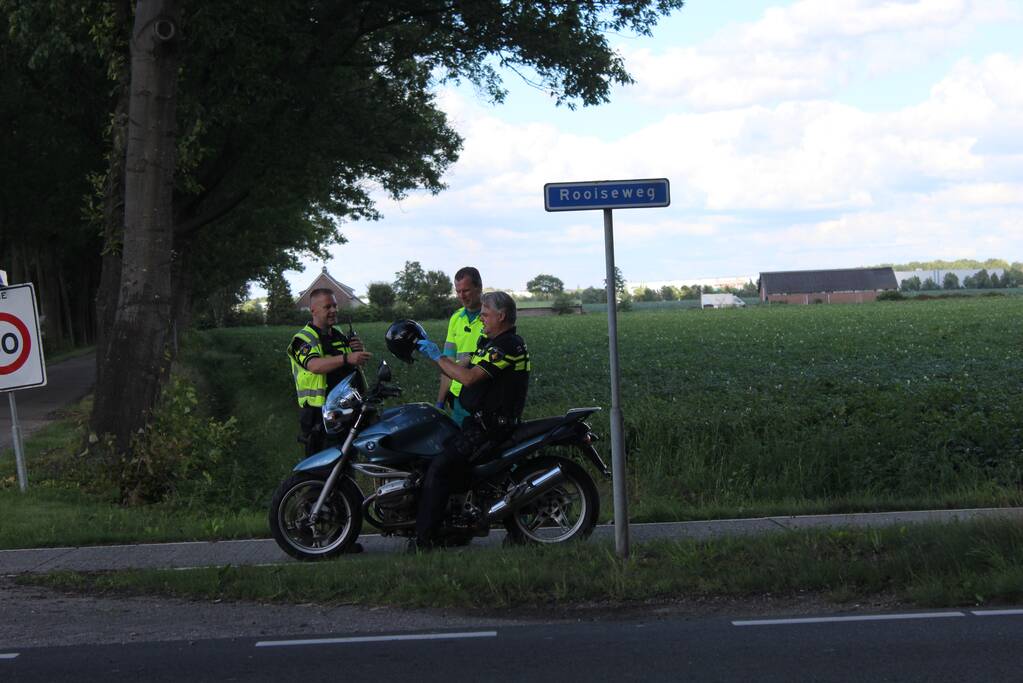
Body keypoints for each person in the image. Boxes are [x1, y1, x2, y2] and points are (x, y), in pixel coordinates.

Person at [413, 291, 530, 550]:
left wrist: (436, 356)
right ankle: (452, 524)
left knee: (441, 467)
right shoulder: (491, 343)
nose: (482, 319)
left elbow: (469, 378)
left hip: (491, 427)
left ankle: (424, 540)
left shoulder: (506, 346)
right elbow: (459, 365)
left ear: (501, 316)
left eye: (486, 315)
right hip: (480, 422)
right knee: (434, 457)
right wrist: (433, 355)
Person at [287, 288, 372, 457]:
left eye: (335, 305)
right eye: (328, 307)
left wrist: (358, 352)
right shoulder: (302, 339)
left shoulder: (338, 334)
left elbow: (351, 367)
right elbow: (314, 366)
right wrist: (347, 357)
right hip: (319, 417)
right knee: (322, 473)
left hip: (345, 411)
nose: (334, 310)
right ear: (314, 310)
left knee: (345, 467)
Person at [434, 266, 485, 426]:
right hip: (458, 397)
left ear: (479, 288)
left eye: (466, 290)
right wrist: (440, 403)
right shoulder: (456, 319)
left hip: (484, 395)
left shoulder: (491, 317)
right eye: (458, 291)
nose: (461, 296)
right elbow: (448, 364)